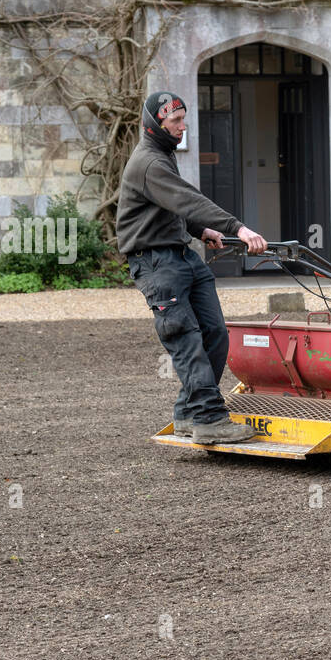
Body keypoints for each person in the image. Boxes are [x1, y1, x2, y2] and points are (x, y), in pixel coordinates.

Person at [117, 91, 268, 444]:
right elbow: (186, 198)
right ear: (156, 123)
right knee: (185, 339)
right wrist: (238, 228)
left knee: (215, 333)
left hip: (182, 255)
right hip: (155, 263)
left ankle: (189, 412)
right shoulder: (149, 162)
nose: (183, 128)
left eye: (184, 120)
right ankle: (209, 419)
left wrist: (200, 230)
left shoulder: (163, 156)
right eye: (176, 121)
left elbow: (167, 209)